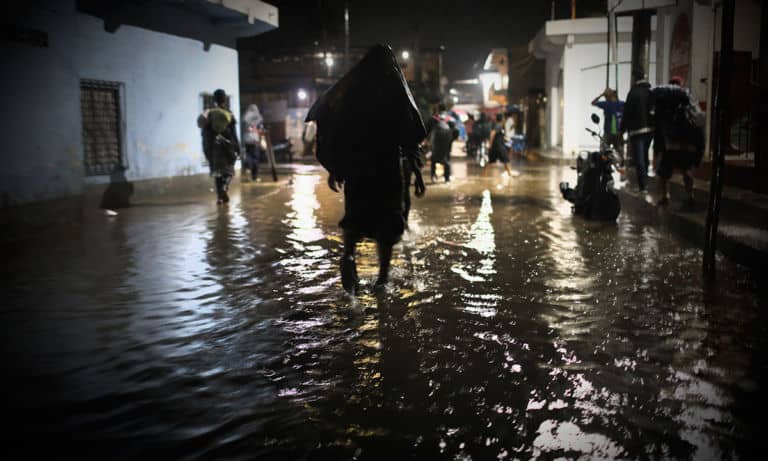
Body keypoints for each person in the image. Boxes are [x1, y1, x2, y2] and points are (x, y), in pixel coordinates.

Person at [305, 44, 427, 294]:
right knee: (387, 221)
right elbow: (411, 134)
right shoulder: (395, 92)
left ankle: (348, 257)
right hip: (386, 169)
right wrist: (416, 171)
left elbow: (333, 127)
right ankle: (382, 279)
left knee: (355, 215)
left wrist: (335, 168)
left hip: (357, 168)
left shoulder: (350, 92)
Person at [652, 76, 705, 210]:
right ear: (681, 85)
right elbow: (699, 123)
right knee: (687, 171)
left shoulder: (663, 102)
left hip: (670, 145)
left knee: (663, 174)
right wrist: (699, 150)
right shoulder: (689, 99)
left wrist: (658, 149)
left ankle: (664, 197)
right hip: (689, 145)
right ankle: (689, 196)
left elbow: (658, 127)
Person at [198, 89, 240, 204]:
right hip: (227, 146)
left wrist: (207, 149)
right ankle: (225, 187)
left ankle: (220, 198)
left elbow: (205, 132)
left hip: (214, 148)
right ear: (224, 99)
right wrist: (238, 148)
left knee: (217, 173)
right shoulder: (228, 113)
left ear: (214, 99)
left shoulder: (210, 113)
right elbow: (234, 133)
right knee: (229, 171)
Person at [622, 69, 654, 192]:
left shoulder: (633, 93)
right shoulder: (649, 92)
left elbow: (627, 112)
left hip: (637, 131)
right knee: (645, 157)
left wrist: (622, 129)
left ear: (634, 78)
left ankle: (643, 185)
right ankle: (644, 182)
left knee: (639, 159)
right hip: (650, 130)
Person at [426, 103, 457, 183]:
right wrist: (452, 140)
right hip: (447, 140)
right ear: (445, 110)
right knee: (446, 157)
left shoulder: (432, 119)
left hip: (435, 140)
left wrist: (427, 140)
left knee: (434, 158)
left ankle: (433, 176)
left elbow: (426, 130)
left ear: (438, 110)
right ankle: (447, 178)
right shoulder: (450, 119)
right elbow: (456, 131)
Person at [591, 88, 625, 155]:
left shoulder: (621, 104)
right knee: (604, 151)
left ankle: (619, 163)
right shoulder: (607, 104)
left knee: (618, 151)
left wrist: (601, 95)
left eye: (606, 96)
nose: (605, 98)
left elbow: (593, 102)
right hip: (609, 132)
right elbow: (593, 103)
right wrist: (601, 95)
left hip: (617, 132)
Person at [484, 112, 514, 177]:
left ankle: (484, 176)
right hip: (499, 147)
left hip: (496, 147)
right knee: (506, 161)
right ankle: (510, 176)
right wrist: (490, 144)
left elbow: (498, 136)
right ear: (502, 119)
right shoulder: (499, 125)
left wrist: (506, 141)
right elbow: (492, 133)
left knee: (490, 162)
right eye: (504, 118)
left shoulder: (498, 125)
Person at [241, 104, 263, 182]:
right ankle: (254, 177)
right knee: (255, 158)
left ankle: (247, 167)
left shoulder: (245, 117)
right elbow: (260, 130)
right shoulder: (258, 117)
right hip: (255, 140)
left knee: (248, 155)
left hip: (247, 140)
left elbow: (243, 129)